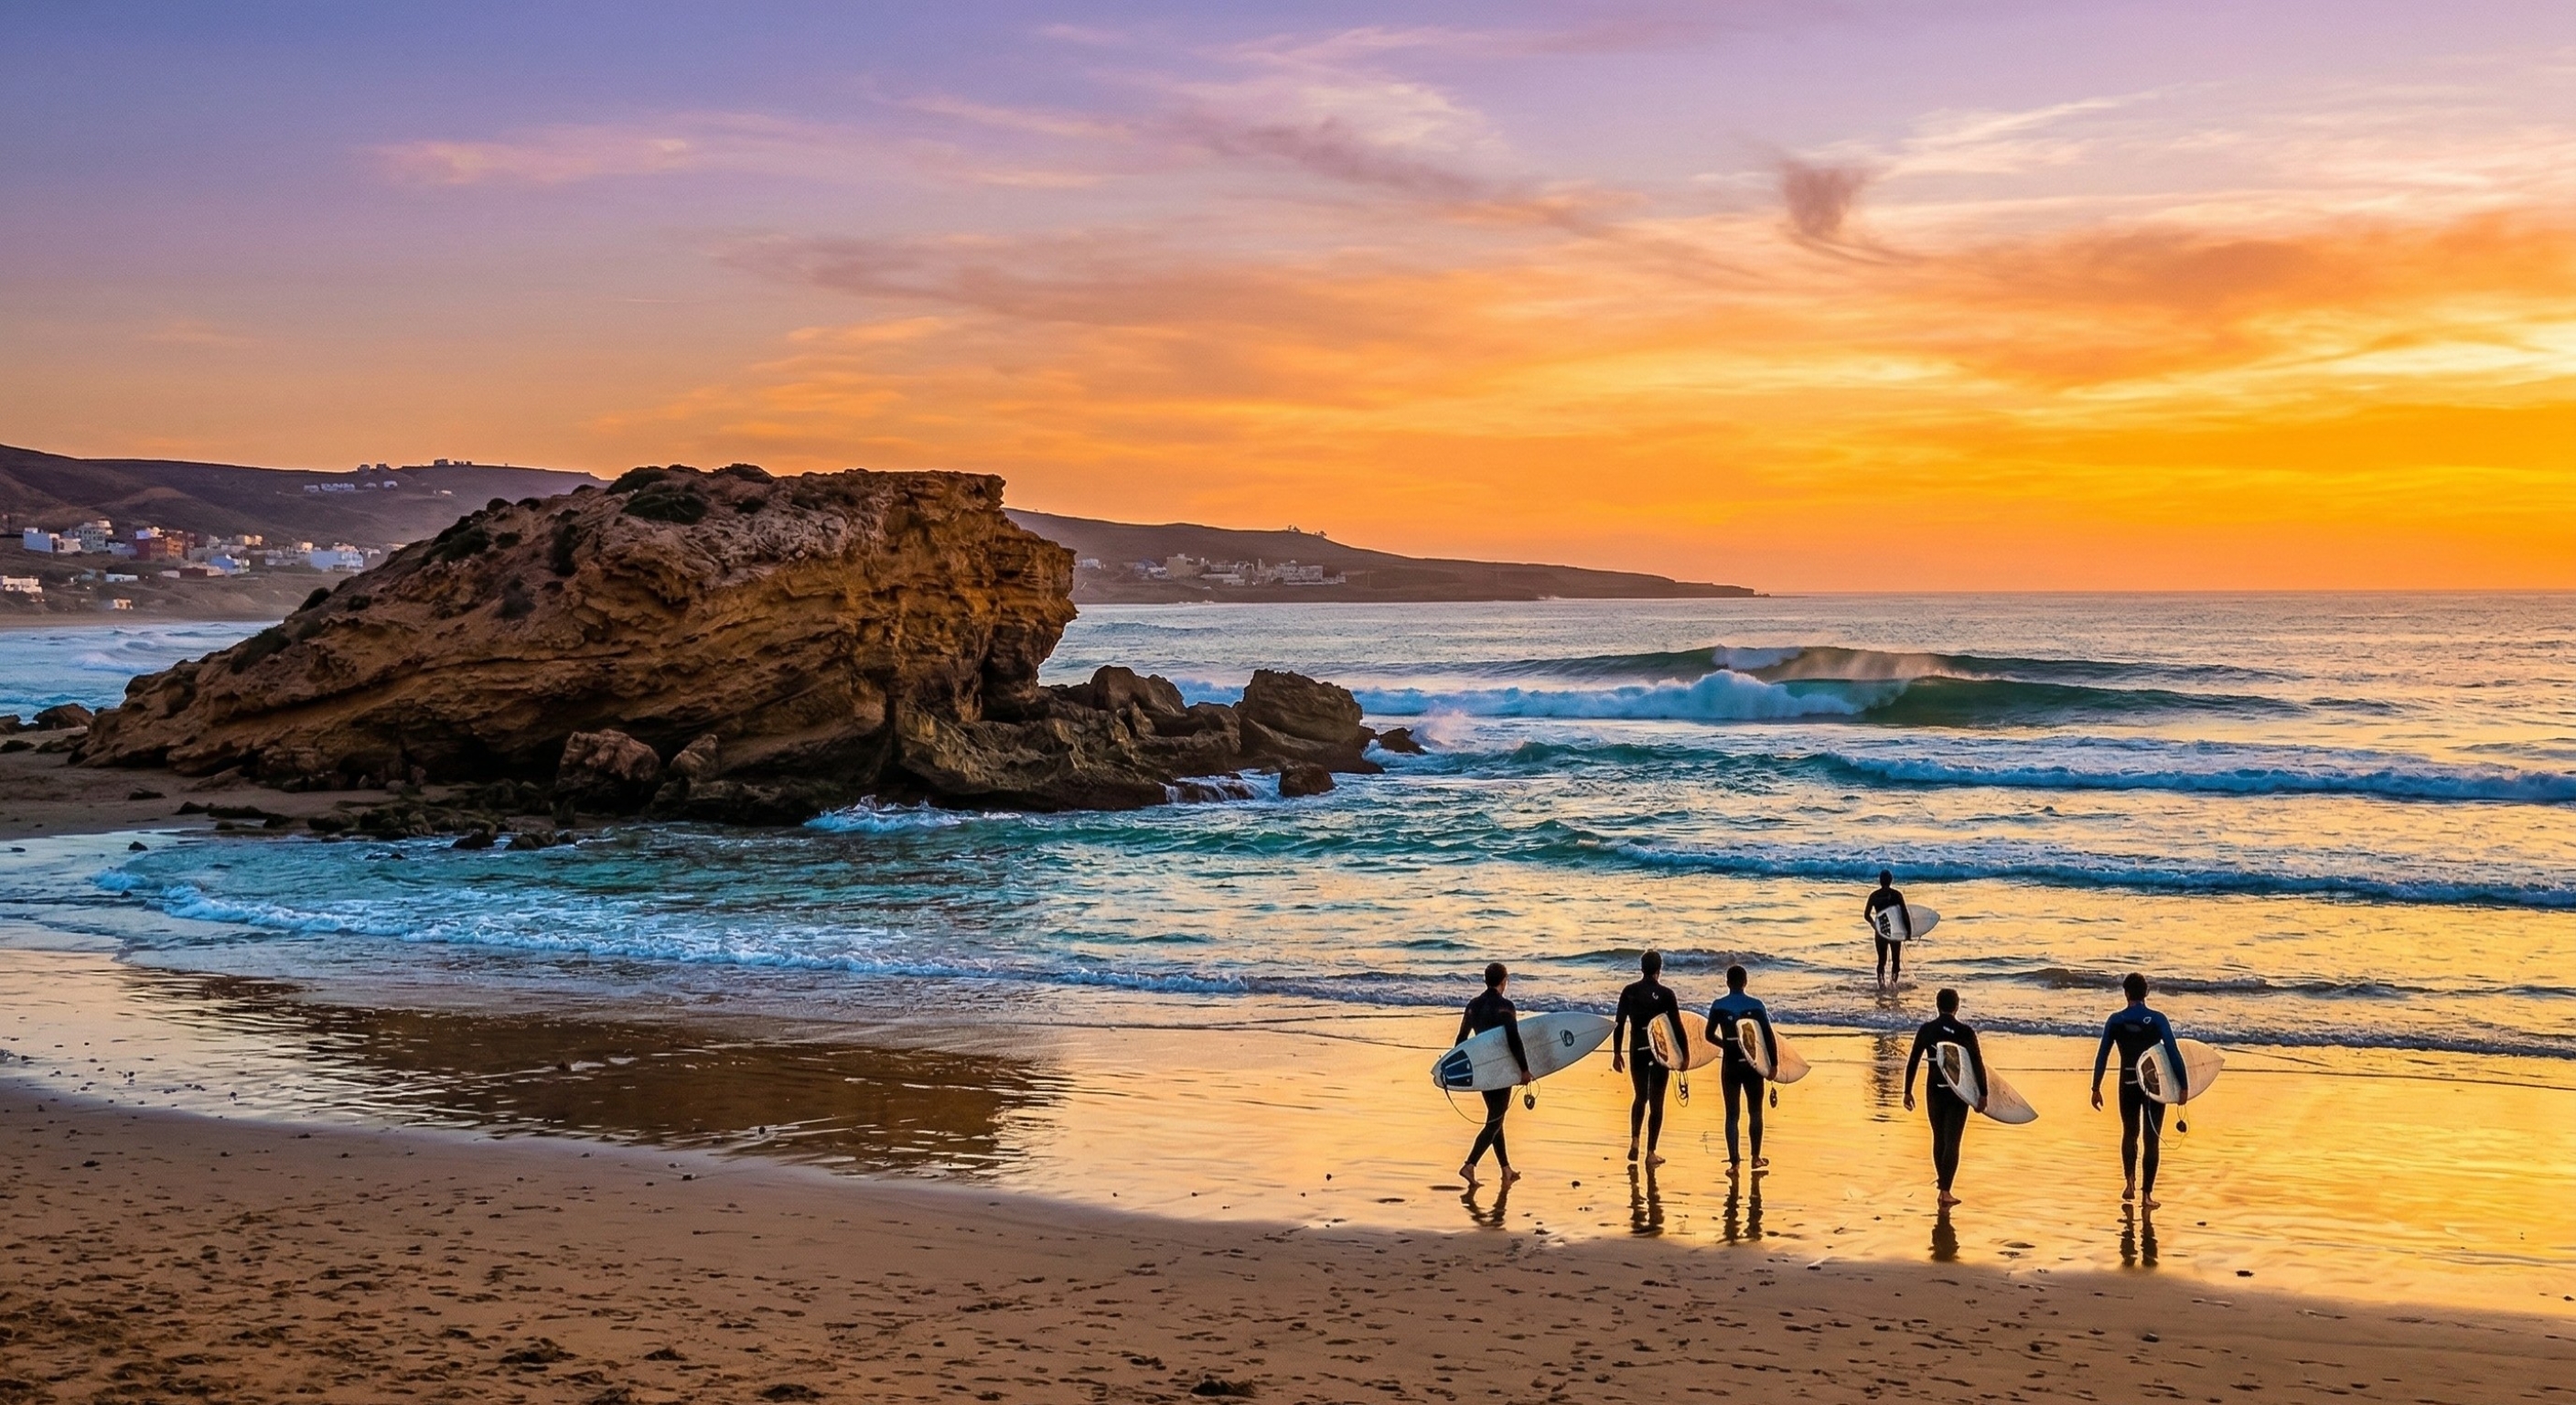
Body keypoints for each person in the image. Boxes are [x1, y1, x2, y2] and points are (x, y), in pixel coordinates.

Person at [2091, 972, 2187, 1207]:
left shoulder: (2115, 1021)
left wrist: (2096, 1087)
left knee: (2129, 1133)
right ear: (2147, 993)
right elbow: (2173, 1053)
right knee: (2151, 1140)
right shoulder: (2157, 1019)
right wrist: (2183, 1085)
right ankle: (2147, 1196)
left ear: (2126, 993)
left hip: (2128, 1082)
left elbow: (2102, 1054)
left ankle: (2129, 1183)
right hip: (2155, 1086)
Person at [1902, 987, 1988, 1206]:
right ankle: (1945, 1191)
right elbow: (1976, 1064)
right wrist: (1983, 1094)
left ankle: (1943, 1187)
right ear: (1957, 1006)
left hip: (1934, 1089)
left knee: (1939, 1138)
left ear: (1937, 1005)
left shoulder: (1927, 1029)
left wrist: (1907, 1091)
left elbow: (1913, 1060)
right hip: (1958, 1092)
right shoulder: (1965, 1031)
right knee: (1953, 1141)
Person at [1610, 950, 1690, 1166]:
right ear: (1659, 969)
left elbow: (1619, 1023)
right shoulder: (1666, 994)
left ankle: (1635, 1140)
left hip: (1637, 1048)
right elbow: (1677, 1026)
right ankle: (1650, 1152)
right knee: (1657, 1101)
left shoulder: (1629, 991)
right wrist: (1685, 1056)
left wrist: (1616, 1053)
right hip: (1659, 1051)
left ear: (1641, 968)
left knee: (1640, 1096)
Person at [1455, 961, 1530, 1185]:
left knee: (1496, 1118)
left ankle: (1506, 1169)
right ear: (1504, 981)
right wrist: (1524, 1069)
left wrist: (1457, 1068)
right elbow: (1514, 1039)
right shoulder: (1505, 1006)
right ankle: (1470, 1165)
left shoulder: (1473, 1006)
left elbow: (1461, 1040)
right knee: (1495, 1120)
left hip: (1482, 1067)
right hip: (1500, 1067)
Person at [1703, 964, 1777, 1171]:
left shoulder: (1718, 1006)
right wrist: (1774, 1064)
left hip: (1730, 1064)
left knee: (1732, 1114)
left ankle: (1734, 1163)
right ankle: (1755, 1158)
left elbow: (1708, 1035)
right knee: (1755, 1112)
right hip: (1753, 1065)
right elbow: (1768, 1036)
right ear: (1745, 982)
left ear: (1727, 983)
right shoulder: (1757, 1005)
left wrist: (1726, 1045)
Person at [1864, 870, 1915, 984]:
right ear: (1891, 880)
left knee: (1881, 961)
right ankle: (1893, 984)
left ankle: (1881, 986)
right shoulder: (1897, 895)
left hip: (1880, 931)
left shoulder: (1874, 895)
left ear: (1880, 881)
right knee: (1896, 961)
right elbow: (1905, 914)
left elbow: (1866, 915)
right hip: (1895, 931)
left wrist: (1875, 926)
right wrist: (1908, 931)